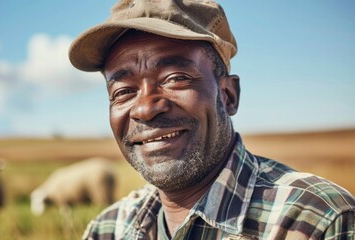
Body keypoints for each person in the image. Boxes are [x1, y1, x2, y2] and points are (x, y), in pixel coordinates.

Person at [69, 0, 355, 239]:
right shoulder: (107, 229)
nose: (145, 109)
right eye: (123, 91)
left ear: (228, 95)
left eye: (176, 78)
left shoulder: (315, 221)